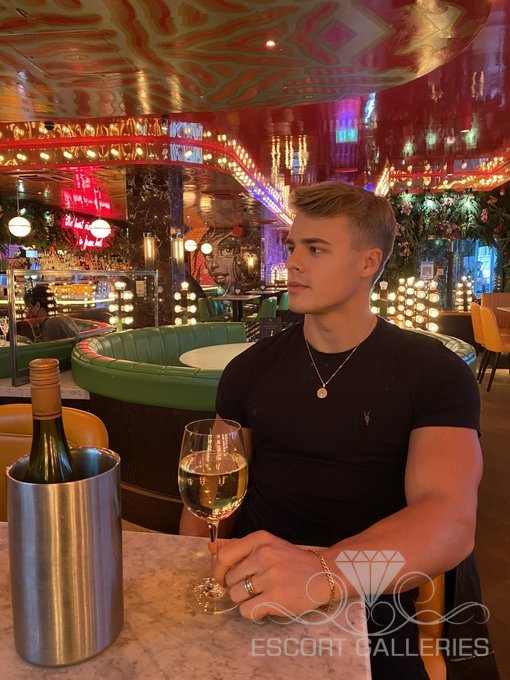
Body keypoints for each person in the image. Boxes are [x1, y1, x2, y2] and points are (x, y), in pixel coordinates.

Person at [180, 182, 494, 678]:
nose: (292, 263)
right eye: (293, 247)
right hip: (250, 589)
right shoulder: (249, 369)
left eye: (316, 249)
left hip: (373, 598)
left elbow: (449, 520)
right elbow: (214, 486)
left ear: (369, 262)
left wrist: (323, 573)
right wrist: (195, 574)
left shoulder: (433, 373)